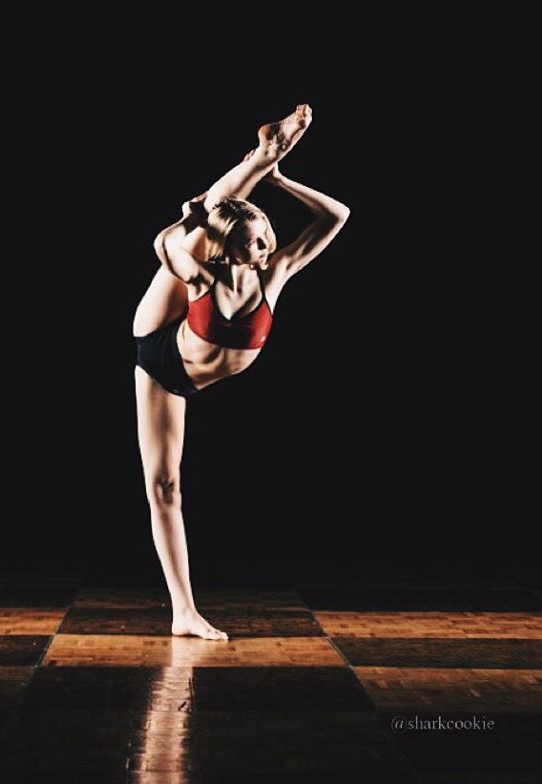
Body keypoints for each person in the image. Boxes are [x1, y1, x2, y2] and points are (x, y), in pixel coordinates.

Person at [133, 105, 350, 640]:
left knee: (212, 211)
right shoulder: (202, 276)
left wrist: (278, 178)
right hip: (160, 353)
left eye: (266, 236)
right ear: (231, 249)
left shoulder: (276, 275)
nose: (266, 246)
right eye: (254, 241)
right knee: (164, 486)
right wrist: (187, 222)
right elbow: (163, 245)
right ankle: (184, 611)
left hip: (191, 371)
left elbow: (337, 215)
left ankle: (265, 154)